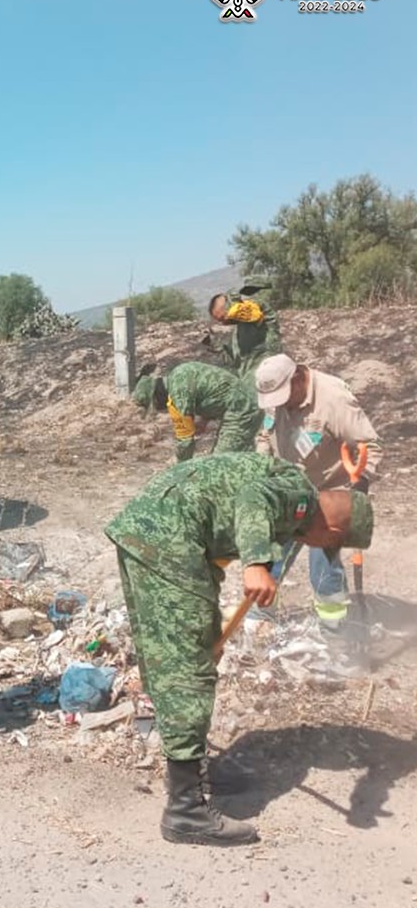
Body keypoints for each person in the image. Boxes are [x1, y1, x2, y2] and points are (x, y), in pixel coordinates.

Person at [105, 453, 373, 846]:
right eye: (328, 545)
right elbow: (251, 497)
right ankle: (186, 810)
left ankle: (192, 770)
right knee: (188, 669)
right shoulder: (298, 497)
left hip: (158, 533)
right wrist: (256, 564)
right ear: (332, 529)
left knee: (187, 652)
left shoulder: (290, 494)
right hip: (168, 539)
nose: (316, 548)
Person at [255, 353, 382, 627]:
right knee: (269, 555)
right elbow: (265, 434)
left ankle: (336, 629)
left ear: (298, 378)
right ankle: (260, 617)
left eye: (283, 396)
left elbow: (368, 446)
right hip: (289, 488)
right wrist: (261, 467)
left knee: (323, 568)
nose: (280, 405)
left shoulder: (333, 397)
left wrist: (359, 485)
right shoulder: (276, 395)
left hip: (328, 494)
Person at [131, 360, 260, 462]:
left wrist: (179, 469)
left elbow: (185, 440)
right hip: (241, 405)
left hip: (241, 410)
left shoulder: (178, 395)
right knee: (230, 457)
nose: (161, 410)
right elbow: (213, 392)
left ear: (157, 396)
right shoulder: (179, 374)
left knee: (219, 463)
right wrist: (204, 420)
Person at [205, 278, 282, 379]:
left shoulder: (253, 312)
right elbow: (235, 362)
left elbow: (253, 309)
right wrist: (217, 347)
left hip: (266, 370)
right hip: (248, 377)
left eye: (223, 317)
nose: (224, 322)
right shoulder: (238, 332)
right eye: (220, 321)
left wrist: (234, 301)